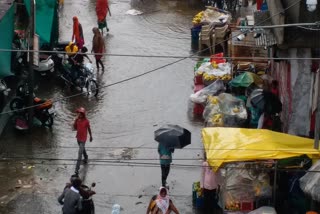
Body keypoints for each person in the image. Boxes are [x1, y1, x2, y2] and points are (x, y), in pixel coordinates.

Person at [73, 107, 93, 175]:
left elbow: (89, 129)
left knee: (79, 154)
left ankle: (76, 169)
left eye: (81, 113)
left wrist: (91, 136)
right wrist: (75, 120)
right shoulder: (77, 120)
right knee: (82, 149)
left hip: (83, 139)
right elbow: (74, 128)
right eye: (79, 113)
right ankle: (86, 157)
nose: (80, 114)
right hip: (78, 138)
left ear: (83, 114)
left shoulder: (86, 121)